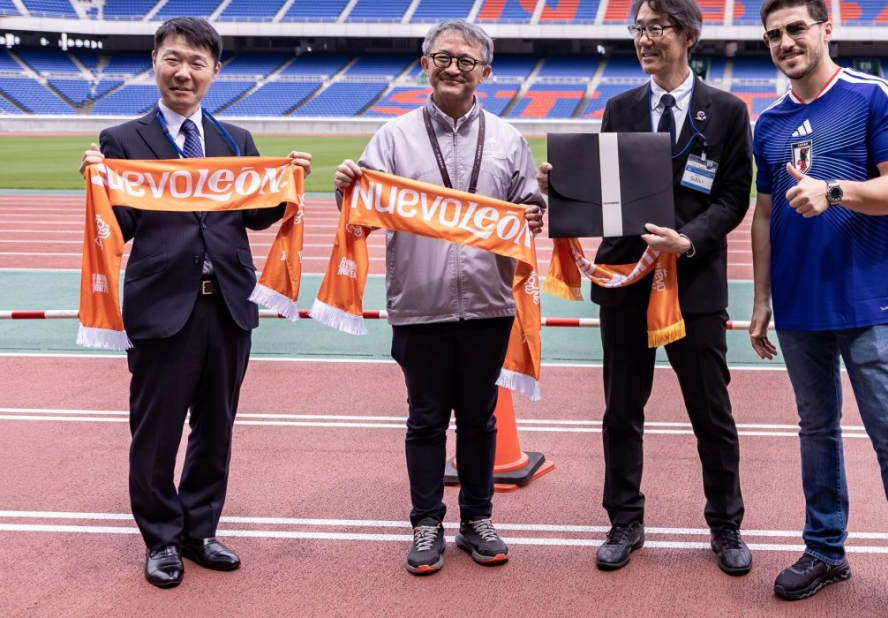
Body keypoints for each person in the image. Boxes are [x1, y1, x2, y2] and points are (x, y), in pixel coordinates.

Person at [78, 17, 311, 589]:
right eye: (174, 59)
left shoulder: (237, 142)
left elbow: (254, 218)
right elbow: (124, 225)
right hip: (162, 304)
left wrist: (287, 185)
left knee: (217, 426)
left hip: (229, 304)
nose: (185, 72)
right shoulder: (122, 141)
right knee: (157, 430)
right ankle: (160, 538)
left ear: (215, 72)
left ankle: (199, 529)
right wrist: (100, 186)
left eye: (197, 63)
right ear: (155, 61)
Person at [538, 0, 753, 575]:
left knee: (711, 411)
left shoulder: (728, 111)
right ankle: (624, 521)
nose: (643, 39)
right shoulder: (621, 107)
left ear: (688, 34)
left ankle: (726, 525)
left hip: (695, 284)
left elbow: (733, 196)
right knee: (621, 410)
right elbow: (606, 196)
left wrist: (690, 240)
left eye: (655, 28)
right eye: (637, 28)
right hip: (627, 283)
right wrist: (561, 189)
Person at [749, 0, 888, 615]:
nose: (786, 42)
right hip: (798, 304)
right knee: (816, 432)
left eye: (796, 29)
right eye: (774, 34)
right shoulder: (769, 122)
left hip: (865, 299)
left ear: (826, 30)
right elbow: (763, 213)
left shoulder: (873, 95)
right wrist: (760, 297)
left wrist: (834, 190)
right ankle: (826, 550)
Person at [334, 20, 545, 576]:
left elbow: (530, 213)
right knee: (425, 421)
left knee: (479, 421)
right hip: (420, 305)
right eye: (443, 57)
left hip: (490, 305)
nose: (454, 67)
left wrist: (535, 212)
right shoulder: (392, 137)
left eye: (467, 60)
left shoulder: (509, 139)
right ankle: (426, 522)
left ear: (486, 73)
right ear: (424, 63)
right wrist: (346, 191)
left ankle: (477, 519)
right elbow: (363, 214)